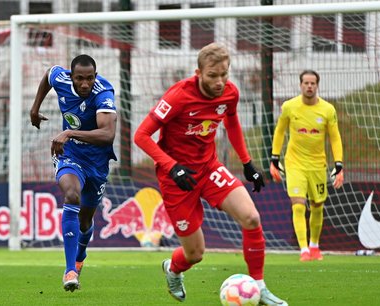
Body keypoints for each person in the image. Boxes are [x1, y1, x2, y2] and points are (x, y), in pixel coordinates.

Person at [134, 42, 288, 306]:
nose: (219, 82)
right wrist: (172, 166)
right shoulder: (178, 96)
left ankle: (259, 288)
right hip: (177, 179)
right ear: (198, 72)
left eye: (224, 74)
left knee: (251, 217)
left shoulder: (229, 93)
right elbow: (141, 135)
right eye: (212, 76)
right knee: (195, 254)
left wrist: (248, 163)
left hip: (209, 168)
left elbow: (232, 122)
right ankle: (172, 269)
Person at [30, 54, 117, 291]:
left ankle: (80, 256)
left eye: (90, 78)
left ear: (95, 77)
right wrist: (34, 108)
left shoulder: (104, 94)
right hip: (70, 156)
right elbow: (48, 75)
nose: (85, 84)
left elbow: (107, 134)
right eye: (80, 78)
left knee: (86, 220)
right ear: (71, 77)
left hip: (97, 164)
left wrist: (69, 133)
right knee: (71, 195)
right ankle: (70, 271)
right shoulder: (61, 78)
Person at [269, 70, 344, 262]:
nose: (309, 86)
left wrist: (339, 164)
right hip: (294, 163)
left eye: (312, 83)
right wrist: (274, 159)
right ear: (300, 85)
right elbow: (279, 132)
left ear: (317, 85)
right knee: (298, 205)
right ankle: (303, 250)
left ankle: (314, 246)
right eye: (306, 83)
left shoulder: (327, 110)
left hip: (318, 165)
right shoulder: (289, 107)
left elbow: (335, 138)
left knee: (317, 206)